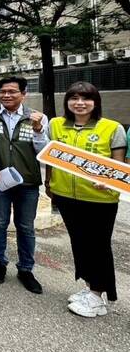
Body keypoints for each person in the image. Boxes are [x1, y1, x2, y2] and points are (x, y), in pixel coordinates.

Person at [47, 81, 127, 318]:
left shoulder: (112, 128)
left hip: (99, 199)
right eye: (74, 98)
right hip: (65, 195)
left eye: (86, 99)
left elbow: (120, 165)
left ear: (95, 102)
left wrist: (111, 181)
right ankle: (91, 289)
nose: (79, 103)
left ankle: (99, 296)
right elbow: (51, 157)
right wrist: (49, 184)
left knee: (98, 246)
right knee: (80, 244)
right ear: (67, 101)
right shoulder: (57, 125)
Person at [0, 76, 48, 294]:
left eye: (12, 91)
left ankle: (26, 269)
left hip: (28, 182)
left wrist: (39, 129)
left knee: (25, 227)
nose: (7, 95)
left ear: (23, 93)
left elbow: (43, 152)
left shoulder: (36, 118)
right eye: (2, 91)